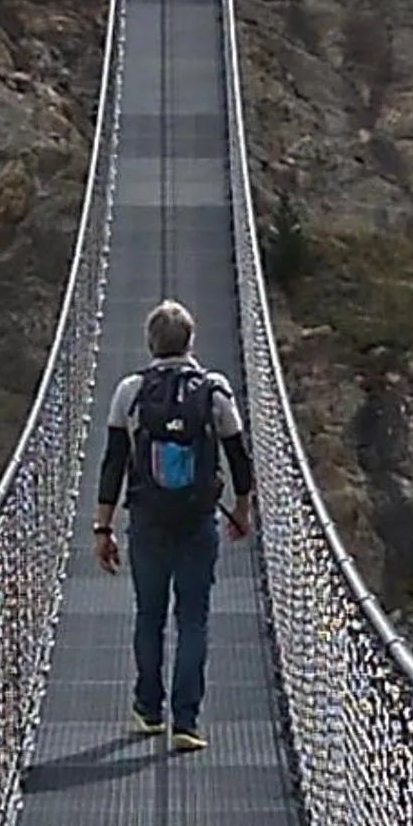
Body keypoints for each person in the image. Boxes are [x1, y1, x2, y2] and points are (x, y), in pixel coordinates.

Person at [93, 299, 256, 751]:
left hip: (147, 520)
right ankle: (186, 722)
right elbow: (239, 459)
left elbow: (113, 463)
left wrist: (103, 529)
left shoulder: (130, 391)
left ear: (150, 343)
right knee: (193, 620)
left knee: (149, 615)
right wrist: (242, 510)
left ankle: (148, 709)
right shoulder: (215, 390)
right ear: (191, 342)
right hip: (197, 521)